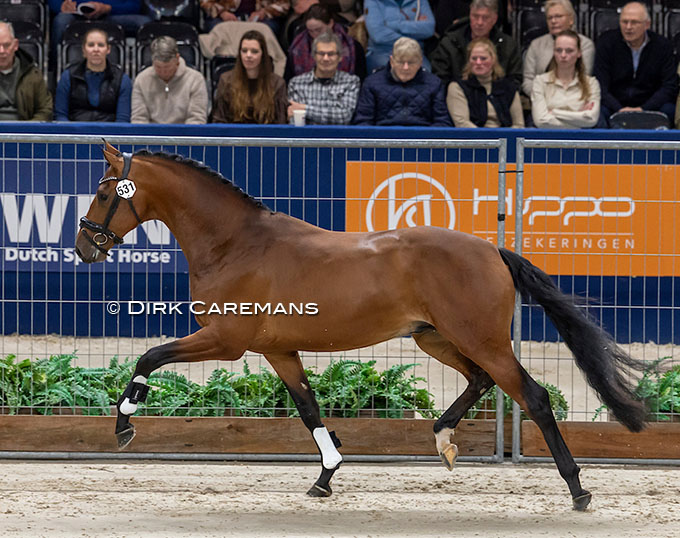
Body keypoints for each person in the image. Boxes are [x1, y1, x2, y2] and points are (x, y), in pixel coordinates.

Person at [594, 1, 678, 126]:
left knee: (670, 109)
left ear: (647, 24)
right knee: (598, 112)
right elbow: (600, 84)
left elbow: (669, 86)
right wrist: (619, 109)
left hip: (651, 106)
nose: (628, 27)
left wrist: (643, 109)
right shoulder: (606, 43)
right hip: (615, 105)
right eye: (624, 22)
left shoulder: (662, 46)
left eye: (634, 22)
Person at [352, 36, 451, 126]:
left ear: (420, 62)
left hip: (423, 137)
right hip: (383, 137)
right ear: (392, 61)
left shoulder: (434, 84)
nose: (405, 67)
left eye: (411, 62)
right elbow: (363, 121)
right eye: (400, 62)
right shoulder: (372, 83)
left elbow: (442, 122)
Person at [430, 0, 521, 87]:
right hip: (456, 94)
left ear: (494, 19)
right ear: (470, 15)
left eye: (485, 17)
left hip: (497, 94)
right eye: (475, 16)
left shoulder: (507, 45)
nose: (479, 22)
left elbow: (515, 79)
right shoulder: (450, 43)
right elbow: (439, 79)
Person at [48, 0, 152, 73]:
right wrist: (61, 6)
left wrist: (107, 8)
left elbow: (135, 5)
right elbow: (53, 2)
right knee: (60, 21)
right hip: (77, 14)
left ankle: (145, 73)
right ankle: (55, 70)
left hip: (113, 14)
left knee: (144, 23)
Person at [54, 27, 132, 121]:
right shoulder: (68, 77)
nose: (96, 49)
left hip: (109, 130)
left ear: (108, 49)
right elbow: (60, 115)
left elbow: (122, 120)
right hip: (75, 129)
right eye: (91, 45)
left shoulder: (122, 80)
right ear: (83, 49)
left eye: (101, 45)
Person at [522, 0, 594, 100]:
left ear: (571, 19)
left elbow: (583, 78)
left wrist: (560, 100)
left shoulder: (584, 45)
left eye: (558, 16)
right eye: (549, 18)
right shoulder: (536, 45)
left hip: (574, 100)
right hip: (540, 100)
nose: (553, 21)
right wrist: (541, 97)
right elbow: (527, 81)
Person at [212, 30, 288, 124]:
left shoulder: (277, 83)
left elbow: (280, 123)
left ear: (263, 55)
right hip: (234, 132)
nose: (248, 55)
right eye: (244, 51)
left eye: (254, 51)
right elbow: (219, 120)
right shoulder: (226, 80)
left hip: (266, 132)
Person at [446, 37, 523, 128]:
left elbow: (519, 125)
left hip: (505, 135)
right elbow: (462, 123)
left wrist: (504, 136)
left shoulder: (509, 87)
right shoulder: (457, 87)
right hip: (473, 136)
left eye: (483, 58)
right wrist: (487, 137)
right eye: (474, 58)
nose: (478, 62)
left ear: (493, 60)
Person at [131, 36, 208, 124]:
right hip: (151, 131)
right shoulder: (142, 79)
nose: (163, 72)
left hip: (185, 131)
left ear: (177, 59)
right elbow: (139, 119)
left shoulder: (195, 79)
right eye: (158, 67)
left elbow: (197, 119)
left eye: (167, 67)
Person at [531, 30, 600, 129]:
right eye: (558, 50)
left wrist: (554, 112)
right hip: (549, 137)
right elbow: (541, 121)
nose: (563, 55)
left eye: (569, 51)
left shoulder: (591, 83)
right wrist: (579, 117)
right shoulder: (540, 81)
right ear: (553, 52)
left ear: (579, 53)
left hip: (580, 138)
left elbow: (591, 119)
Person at [288, 31, 360, 124]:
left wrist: (305, 109)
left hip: (338, 133)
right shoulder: (296, 83)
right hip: (307, 133)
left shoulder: (351, 82)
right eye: (321, 53)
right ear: (314, 56)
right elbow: (296, 121)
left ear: (340, 57)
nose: (326, 58)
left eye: (331, 54)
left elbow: (344, 116)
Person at [284, 4, 366, 82]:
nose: (314, 35)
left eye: (318, 30)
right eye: (310, 31)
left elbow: (360, 79)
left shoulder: (352, 47)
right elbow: (289, 79)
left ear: (330, 23)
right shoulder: (297, 47)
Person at [364, 0, 435, 73]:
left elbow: (429, 29)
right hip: (382, 52)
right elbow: (378, 35)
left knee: (425, 74)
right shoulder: (373, 1)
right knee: (391, 74)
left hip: (413, 52)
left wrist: (392, 25)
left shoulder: (420, 1)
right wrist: (415, 29)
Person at [0, 22, 52, 121]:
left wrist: (28, 127)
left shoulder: (32, 74)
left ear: (15, 45)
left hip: (25, 127)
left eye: (6, 45)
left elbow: (45, 110)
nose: (1, 51)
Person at [199, 0, 290, 35]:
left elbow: (284, 5)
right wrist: (222, 12)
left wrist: (264, 12)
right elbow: (205, 2)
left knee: (268, 28)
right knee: (217, 28)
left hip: (260, 19)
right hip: (225, 17)